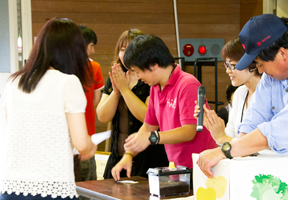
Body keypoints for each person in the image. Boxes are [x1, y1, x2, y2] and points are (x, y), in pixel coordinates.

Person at [0, 18, 97, 200]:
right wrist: (91, 147)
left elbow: (15, 130)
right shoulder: (67, 82)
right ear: (73, 51)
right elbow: (81, 144)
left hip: (10, 187)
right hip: (52, 188)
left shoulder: (13, 82)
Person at [197, 14, 288, 178]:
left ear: (282, 54)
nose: (259, 71)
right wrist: (239, 152)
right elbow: (252, 121)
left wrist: (226, 151)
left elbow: (281, 129)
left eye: (261, 64)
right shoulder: (270, 79)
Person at [111, 34, 217, 181]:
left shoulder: (188, 85)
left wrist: (152, 138)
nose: (137, 76)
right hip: (177, 168)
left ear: (154, 65)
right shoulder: (155, 87)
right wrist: (128, 155)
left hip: (201, 168)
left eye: (137, 71)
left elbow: (189, 131)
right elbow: (149, 126)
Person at [96, 30, 169, 179]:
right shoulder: (116, 75)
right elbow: (102, 116)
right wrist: (116, 92)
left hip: (147, 158)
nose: (124, 54)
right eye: (122, 49)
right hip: (118, 156)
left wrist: (124, 90)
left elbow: (147, 117)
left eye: (129, 49)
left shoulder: (150, 79)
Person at [194, 37, 261, 144]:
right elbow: (230, 135)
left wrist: (222, 137)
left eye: (232, 65)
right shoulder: (240, 93)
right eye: (226, 65)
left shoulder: (269, 93)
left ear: (251, 63)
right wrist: (212, 124)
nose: (227, 70)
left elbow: (260, 145)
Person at [73, 25, 104, 185]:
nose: (92, 51)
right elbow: (96, 101)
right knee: (89, 185)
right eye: (91, 46)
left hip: (66, 140)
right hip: (87, 134)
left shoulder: (62, 68)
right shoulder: (94, 67)